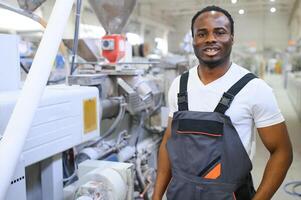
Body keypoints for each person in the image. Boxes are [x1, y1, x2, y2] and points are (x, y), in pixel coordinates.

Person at [152, 5, 293, 200]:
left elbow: (282, 152)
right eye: (202, 34)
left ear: (232, 38)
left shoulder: (254, 88)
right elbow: (168, 141)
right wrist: (157, 195)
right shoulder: (179, 85)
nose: (210, 39)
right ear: (193, 40)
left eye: (220, 32)